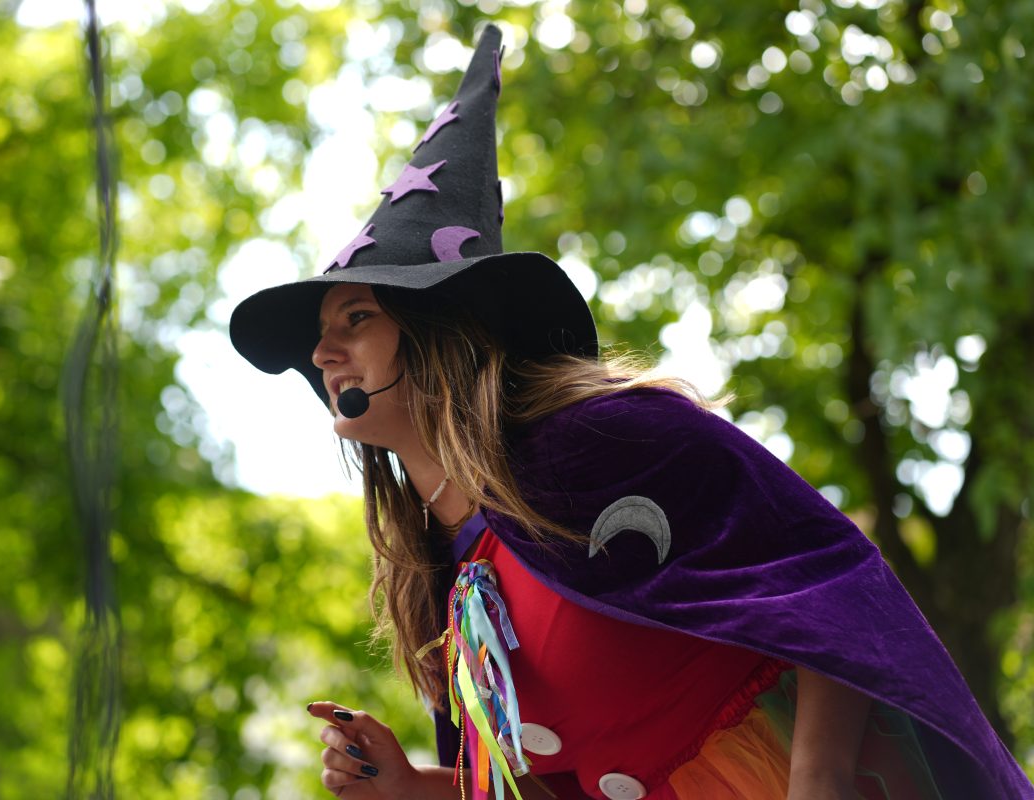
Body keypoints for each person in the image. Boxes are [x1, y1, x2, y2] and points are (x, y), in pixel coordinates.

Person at [228, 23, 1033, 800]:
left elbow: (828, 580)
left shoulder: (599, 441)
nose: (322, 353)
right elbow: (554, 786)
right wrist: (412, 787)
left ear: (441, 332)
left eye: (356, 318)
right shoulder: (436, 571)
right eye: (322, 336)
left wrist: (815, 784)